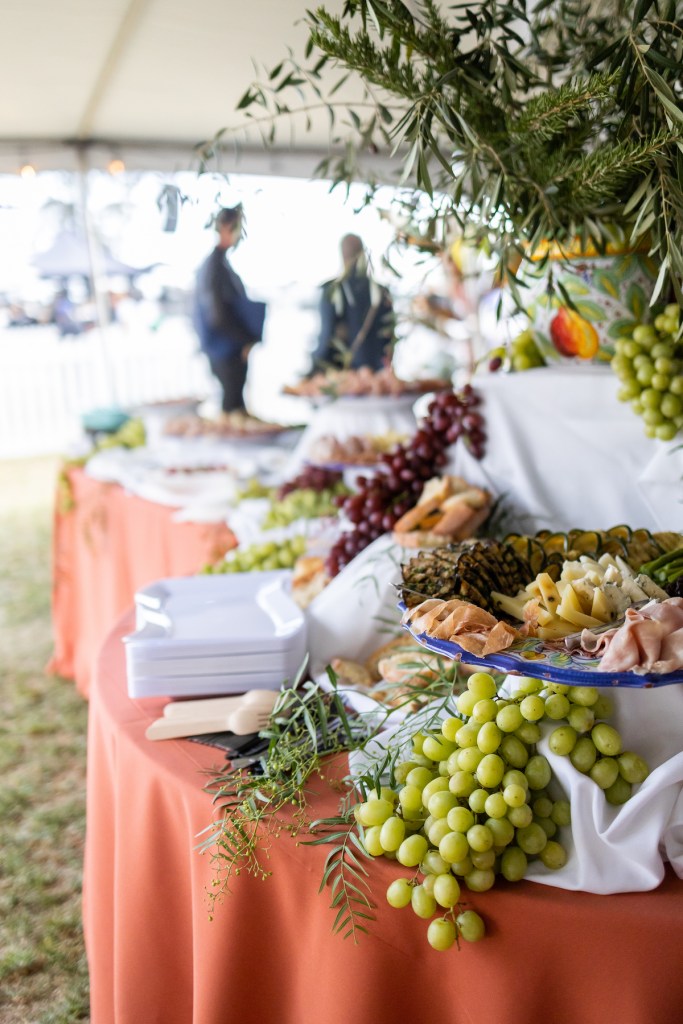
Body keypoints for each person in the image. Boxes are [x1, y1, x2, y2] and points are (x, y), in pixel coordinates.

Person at [193, 206, 266, 413]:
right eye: (238, 227)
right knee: (232, 406)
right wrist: (244, 341)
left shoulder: (220, 264)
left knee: (235, 403)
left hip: (228, 348)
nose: (240, 234)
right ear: (225, 227)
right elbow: (217, 315)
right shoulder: (215, 266)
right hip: (226, 350)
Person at [309, 234, 394, 374]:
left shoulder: (332, 290)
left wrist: (313, 371)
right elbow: (389, 340)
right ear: (363, 253)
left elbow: (326, 338)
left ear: (342, 255)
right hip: (377, 374)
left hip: (344, 375)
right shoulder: (382, 291)